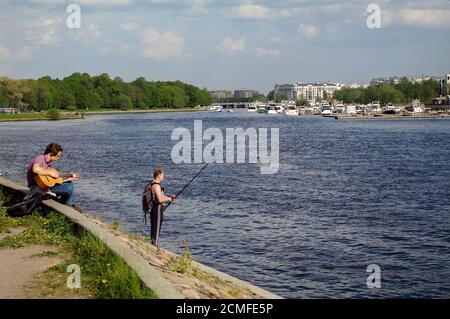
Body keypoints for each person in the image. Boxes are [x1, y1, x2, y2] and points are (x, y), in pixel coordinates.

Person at [146, 168, 176, 247]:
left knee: (154, 229)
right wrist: (169, 199)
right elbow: (159, 199)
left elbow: (159, 196)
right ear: (159, 175)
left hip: (154, 210)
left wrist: (169, 196)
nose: (163, 177)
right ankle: (154, 247)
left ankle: (152, 245)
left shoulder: (152, 184)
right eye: (163, 175)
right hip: (157, 210)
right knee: (156, 230)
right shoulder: (156, 186)